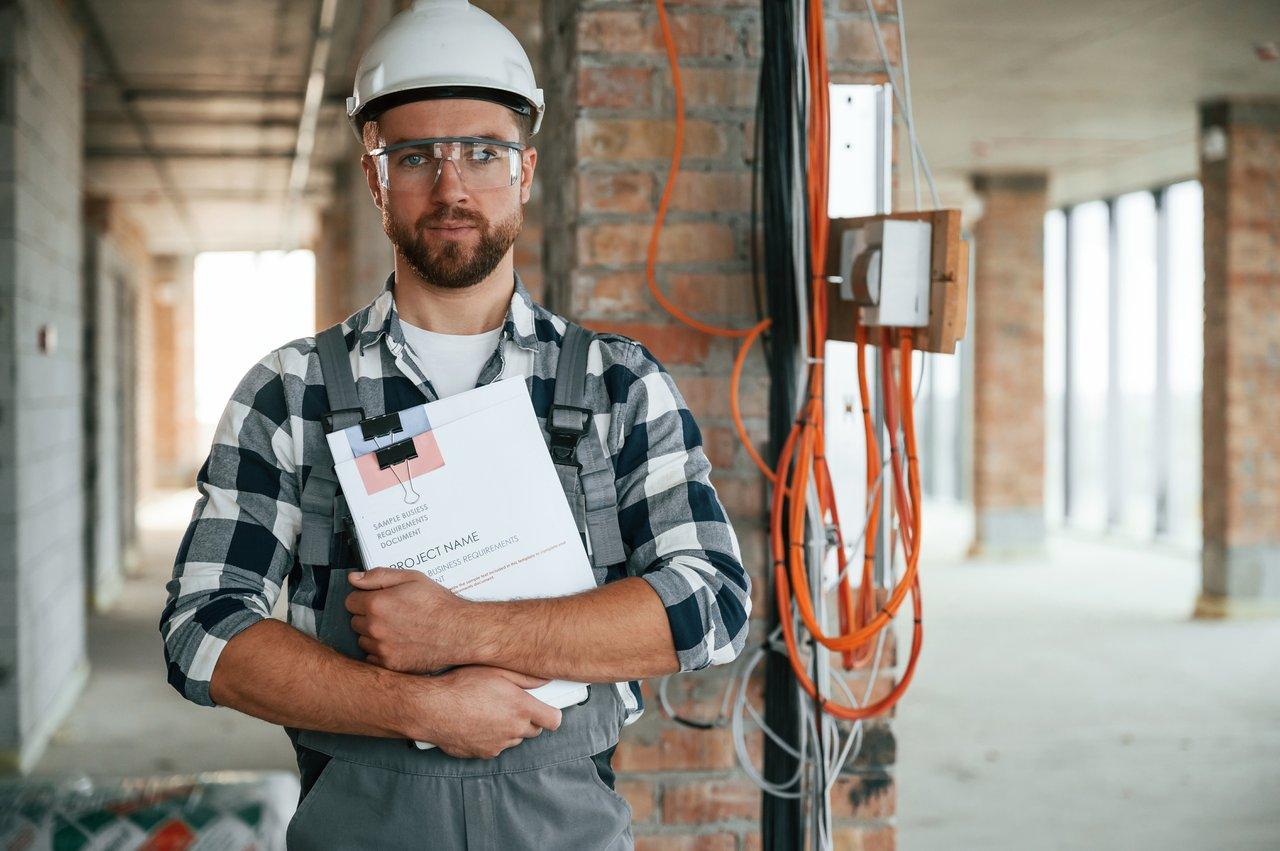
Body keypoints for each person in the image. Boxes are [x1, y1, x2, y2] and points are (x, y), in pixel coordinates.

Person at [158, 1, 750, 848]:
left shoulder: (618, 383)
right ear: (374, 175)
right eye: (415, 156)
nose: (451, 186)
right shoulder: (289, 392)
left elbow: (713, 600)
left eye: (483, 151)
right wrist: (420, 704)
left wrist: (463, 630)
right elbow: (202, 629)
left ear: (526, 170)